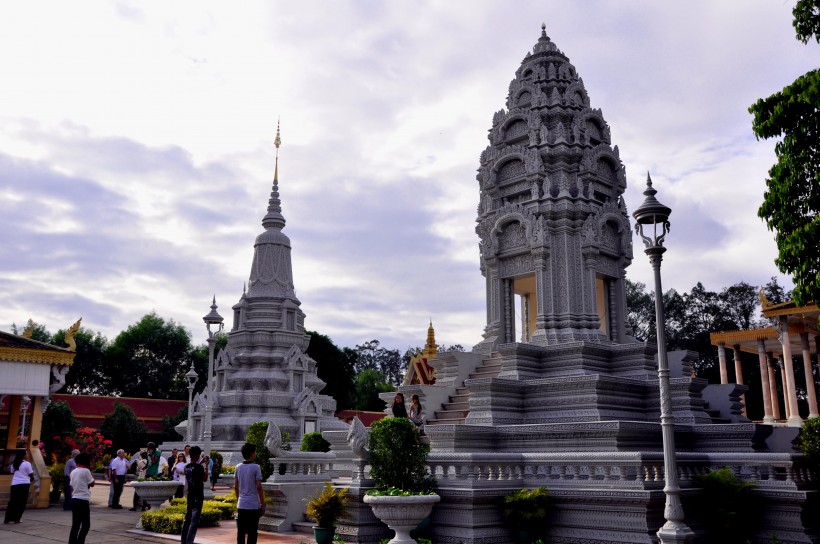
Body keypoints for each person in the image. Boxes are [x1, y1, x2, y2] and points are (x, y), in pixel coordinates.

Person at [234, 443, 265, 544]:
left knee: (241, 532)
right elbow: (259, 487)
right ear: (252, 454)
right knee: (252, 532)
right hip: (252, 504)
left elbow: (236, 486)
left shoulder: (238, 467)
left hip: (241, 503)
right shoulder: (256, 467)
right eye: (254, 452)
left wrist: (239, 499)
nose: (255, 454)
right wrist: (262, 503)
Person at [181, 445, 207, 544]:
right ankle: (189, 541)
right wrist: (206, 466)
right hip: (198, 495)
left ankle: (183, 541)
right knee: (194, 521)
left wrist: (201, 463)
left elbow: (194, 468)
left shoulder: (186, 467)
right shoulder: (199, 467)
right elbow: (204, 478)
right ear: (197, 455)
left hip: (190, 494)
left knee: (187, 519)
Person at [68, 452, 95, 544]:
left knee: (75, 525)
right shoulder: (86, 471)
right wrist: (91, 471)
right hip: (83, 499)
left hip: (74, 498)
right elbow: (92, 483)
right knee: (85, 525)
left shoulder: (73, 471)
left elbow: (72, 486)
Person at [4, 450, 34, 524]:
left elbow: (12, 472)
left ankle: (7, 518)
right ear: (24, 455)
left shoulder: (14, 464)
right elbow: (31, 474)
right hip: (24, 484)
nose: (27, 455)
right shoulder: (27, 464)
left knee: (12, 502)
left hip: (15, 483)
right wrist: (31, 479)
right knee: (21, 502)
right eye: (26, 454)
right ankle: (17, 518)